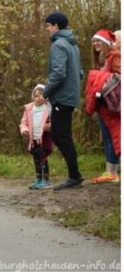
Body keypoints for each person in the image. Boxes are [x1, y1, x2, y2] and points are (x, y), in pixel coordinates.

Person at [43, 11, 84, 190]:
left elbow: (58, 74)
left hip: (62, 98)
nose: (47, 29)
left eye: (48, 25)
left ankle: (75, 176)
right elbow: (79, 73)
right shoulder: (73, 45)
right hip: (70, 96)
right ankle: (75, 175)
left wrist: (46, 92)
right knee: (59, 135)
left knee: (61, 136)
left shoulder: (58, 45)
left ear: (56, 26)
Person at [88, 29, 121, 183]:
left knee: (115, 136)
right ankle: (110, 171)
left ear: (106, 42)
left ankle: (113, 171)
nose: (95, 44)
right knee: (107, 137)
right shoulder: (100, 59)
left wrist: (101, 82)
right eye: (94, 41)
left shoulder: (114, 56)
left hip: (111, 105)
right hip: (102, 104)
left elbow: (119, 76)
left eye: (98, 41)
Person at [19, 84, 53, 189]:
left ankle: (46, 180)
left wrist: (51, 126)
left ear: (46, 96)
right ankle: (38, 179)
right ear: (33, 97)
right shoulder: (29, 108)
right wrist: (24, 129)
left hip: (44, 138)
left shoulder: (48, 108)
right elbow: (23, 122)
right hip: (33, 139)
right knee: (36, 159)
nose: (39, 98)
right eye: (36, 96)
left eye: (42, 95)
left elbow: (55, 121)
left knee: (43, 158)